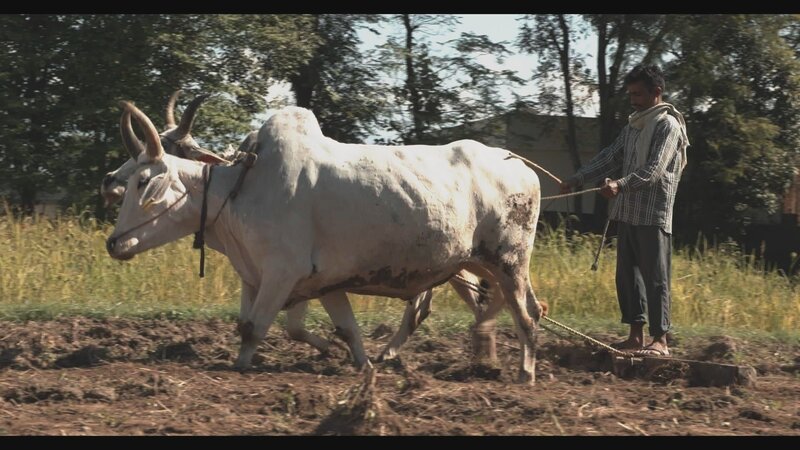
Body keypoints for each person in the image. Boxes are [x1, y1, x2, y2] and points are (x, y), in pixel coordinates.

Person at [559, 64, 689, 357]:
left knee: (655, 278)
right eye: (630, 93)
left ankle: (660, 340)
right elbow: (610, 157)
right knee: (627, 278)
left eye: (638, 94)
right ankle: (635, 336)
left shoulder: (668, 126)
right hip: (626, 212)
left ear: (657, 92)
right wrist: (577, 178)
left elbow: (654, 170)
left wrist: (619, 185)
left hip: (652, 215)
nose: (633, 100)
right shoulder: (634, 125)